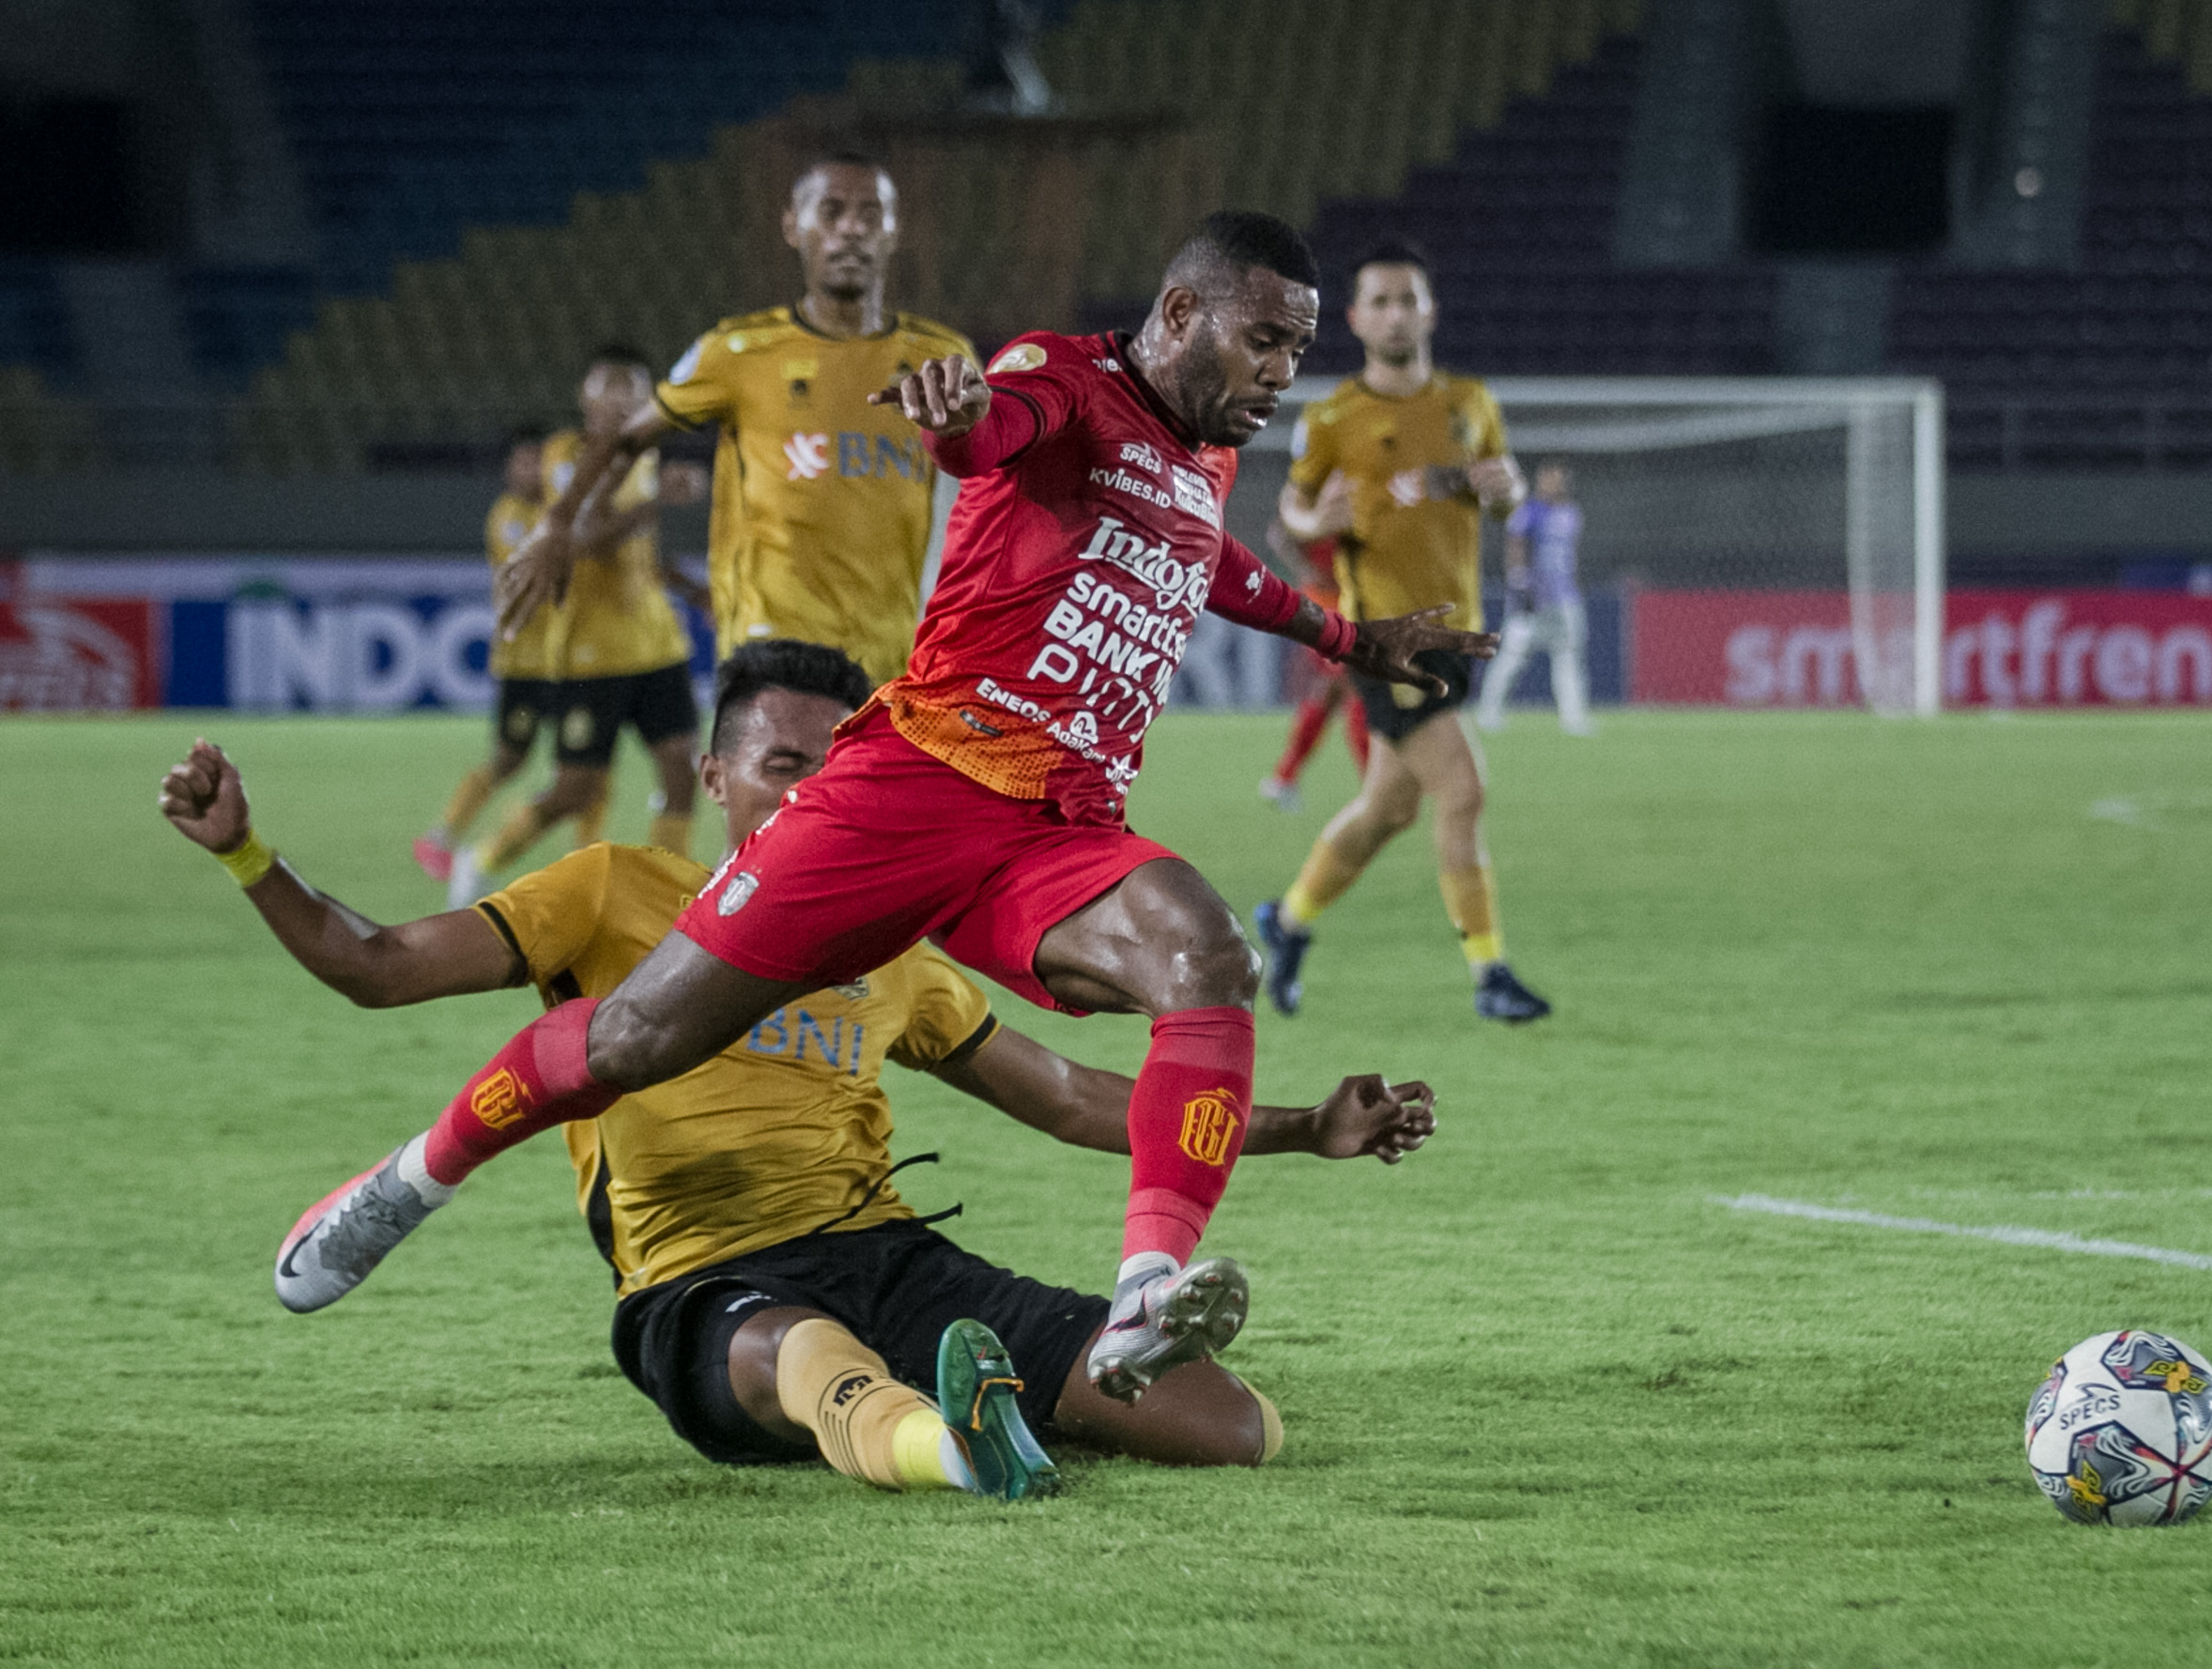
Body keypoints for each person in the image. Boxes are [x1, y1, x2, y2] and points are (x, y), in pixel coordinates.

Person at [320, 208, 1485, 1413]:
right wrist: (955, 419)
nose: (1283, 373)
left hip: (1053, 832)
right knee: (632, 1044)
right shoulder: (1061, 377)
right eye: (1265, 341)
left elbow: (1211, 562)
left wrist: (1354, 637)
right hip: (914, 787)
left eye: (1298, 349)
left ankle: (1145, 1293)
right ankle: (413, 1175)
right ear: (1182, 314)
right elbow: (994, 429)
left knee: (1206, 949)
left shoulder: (1205, 456)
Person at [157, 640, 1438, 1497]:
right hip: (700, 1285)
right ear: (710, 775)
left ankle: (1013, 1394)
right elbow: (374, 963)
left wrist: (1294, 1127)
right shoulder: (612, 892)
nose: (815, 792)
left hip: (888, 1253)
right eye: (782, 766)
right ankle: (955, 1443)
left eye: (841, 767)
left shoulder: (896, 927)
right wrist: (248, 853)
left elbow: (1057, 1091)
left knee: (1233, 1430)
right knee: (803, 1350)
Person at [503, 152, 974, 686]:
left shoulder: (943, 358)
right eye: (832, 211)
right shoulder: (738, 351)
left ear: (893, 231)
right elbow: (629, 436)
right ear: (793, 227)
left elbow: (986, 483)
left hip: (893, 663)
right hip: (768, 653)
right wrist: (561, 521)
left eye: (870, 214)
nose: (851, 230)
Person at [1256, 241, 1551, 1025]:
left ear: (1430, 310)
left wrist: (1506, 490)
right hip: (1384, 641)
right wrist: (1310, 520)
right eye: (1379, 301)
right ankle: (1489, 975)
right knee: (1463, 789)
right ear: (1353, 319)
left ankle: (1284, 924)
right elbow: (1289, 512)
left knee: (1386, 808)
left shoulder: (1471, 401)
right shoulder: (1331, 418)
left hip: (1460, 633)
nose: (1394, 313)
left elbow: (1504, 494)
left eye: (1407, 299)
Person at [448, 345, 706, 906]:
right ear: (585, 396)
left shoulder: (643, 458)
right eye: (610, 385)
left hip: (657, 643)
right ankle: (483, 857)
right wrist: (657, 501)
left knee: (682, 771)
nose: (623, 399)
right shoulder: (563, 457)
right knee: (574, 790)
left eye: (634, 387)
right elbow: (580, 540)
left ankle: (670, 900)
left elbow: (642, 553)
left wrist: (693, 590)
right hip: (591, 652)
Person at [414, 427, 601, 881]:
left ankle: (587, 856)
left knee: (587, 765)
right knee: (510, 758)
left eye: (538, 462)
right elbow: (540, 566)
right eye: (522, 462)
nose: (531, 471)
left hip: (567, 660)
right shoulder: (510, 517)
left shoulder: (558, 512)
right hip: (526, 663)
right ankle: (443, 836)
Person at [1256, 516, 1370, 813]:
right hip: (1322, 603)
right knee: (1352, 684)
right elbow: (1279, 532)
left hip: (1351, 601)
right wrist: (1305, 569)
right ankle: (1373, 784)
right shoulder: (1320, 490)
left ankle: (1283, 778)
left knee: (1331, 692)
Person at [1476, 459, 1592, 736]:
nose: (1557, 482)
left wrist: (1575, 589)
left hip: (1564, 599)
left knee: (1569, 655)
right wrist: (1520, 584)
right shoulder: (1529, 511)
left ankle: (1573, 717)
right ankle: (1489, 712)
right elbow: (1515, 547)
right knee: (1513, 656)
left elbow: (1572, 558)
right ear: (1541, 479)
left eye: (1560, 477)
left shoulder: (1571, 513)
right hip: (1533, 598)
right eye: (1551, 477)